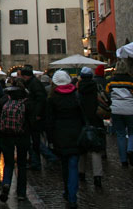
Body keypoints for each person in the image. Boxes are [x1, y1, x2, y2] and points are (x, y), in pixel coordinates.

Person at [46, 70, 84, 209]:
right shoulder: (76, 96)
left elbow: (49, 121)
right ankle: (72, 195)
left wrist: (50, 139)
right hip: (76, 133)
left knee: (65, 165)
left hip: (59, 135)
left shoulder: (52, 98)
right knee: (73, 165)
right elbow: (83, 116)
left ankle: (68, 191)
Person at [0, 77, 33, 203]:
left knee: (9, 163)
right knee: (22, 165)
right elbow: (30, 121)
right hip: (22, 136)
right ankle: (21, 193)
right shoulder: (27, 102)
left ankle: (6, 183)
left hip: (6, 135)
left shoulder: (4, 101)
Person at [105, 59, 133, 167]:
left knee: (120, 134)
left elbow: (106, 94)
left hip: (116, 109)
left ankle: (123, 160)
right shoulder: (132, 81)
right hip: (130, 109)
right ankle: (130, 150)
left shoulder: (111, 81)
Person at [76, 67, 104, 188]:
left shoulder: (77, 91)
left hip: (82, 121)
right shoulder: (96, 88)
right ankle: (97, 176)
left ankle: (81, 173)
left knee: (82, 148)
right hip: (95, 120)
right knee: (96, 149)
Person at [20, 65, 46, 171]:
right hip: (33, 115)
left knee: (34, 141)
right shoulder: (33, 83)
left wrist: (37, 114)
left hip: (34, 116)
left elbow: (40, 99)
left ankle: (37, 162)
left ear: (25, 76)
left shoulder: (34, 84)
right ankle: (35, 161)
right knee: (34, 140)